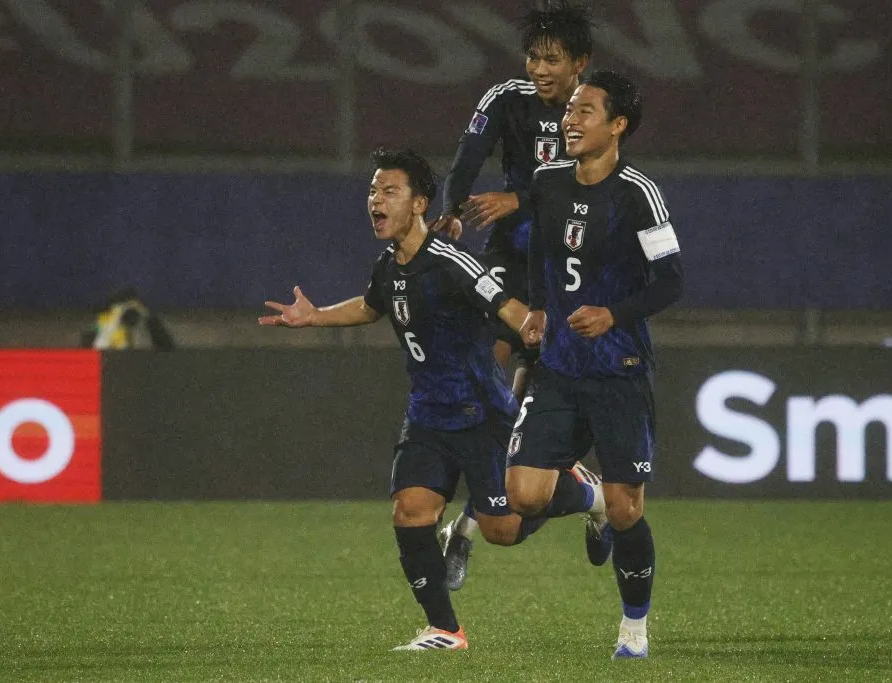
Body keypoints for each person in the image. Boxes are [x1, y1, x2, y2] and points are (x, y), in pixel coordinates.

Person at [258, 147, 602, 652]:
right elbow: (371, 307)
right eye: (373, 190)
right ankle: (445, 629)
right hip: (427, 415)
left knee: (503, 530)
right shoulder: (388, 264)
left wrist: (541, 329)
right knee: (411, 511)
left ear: (419, 203)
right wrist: (314, 316)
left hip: (482, 414)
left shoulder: (450, 262)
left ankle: (587, 496)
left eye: (389, 191)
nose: (376, 200)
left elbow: (506, 305)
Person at [432, 0, 604, 593]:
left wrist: (518, 200)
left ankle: (577, 498)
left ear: (581, 63)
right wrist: (452, 211)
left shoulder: (598, 112)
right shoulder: (505, 99)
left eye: (552, 58)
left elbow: (592, 189)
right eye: (533, 55)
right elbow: (465, 160)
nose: (538, 67)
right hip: (509, 267)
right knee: (483, 386)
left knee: (527, 440)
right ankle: (493, 514)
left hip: (567, 274)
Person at [515, 70, 685, 660]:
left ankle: (633, 628)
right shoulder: (548, 181)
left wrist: (614, 314)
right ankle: (586, 500)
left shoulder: (638, 194)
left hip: (618, 368)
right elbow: (540, 246)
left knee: (629, 508)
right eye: (570, 111)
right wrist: (538, 307)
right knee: (523, 496)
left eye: (586, 111)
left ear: (618, 126)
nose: (570, 120)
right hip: (560, 366)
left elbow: (672, 281)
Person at [80, 287, 176, 350]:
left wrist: (150, 320)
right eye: (123, 306)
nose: (127, 310)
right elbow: (85, 358)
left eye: (131, 305)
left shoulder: (149, 322)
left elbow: (170, 351)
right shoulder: (100, 325)